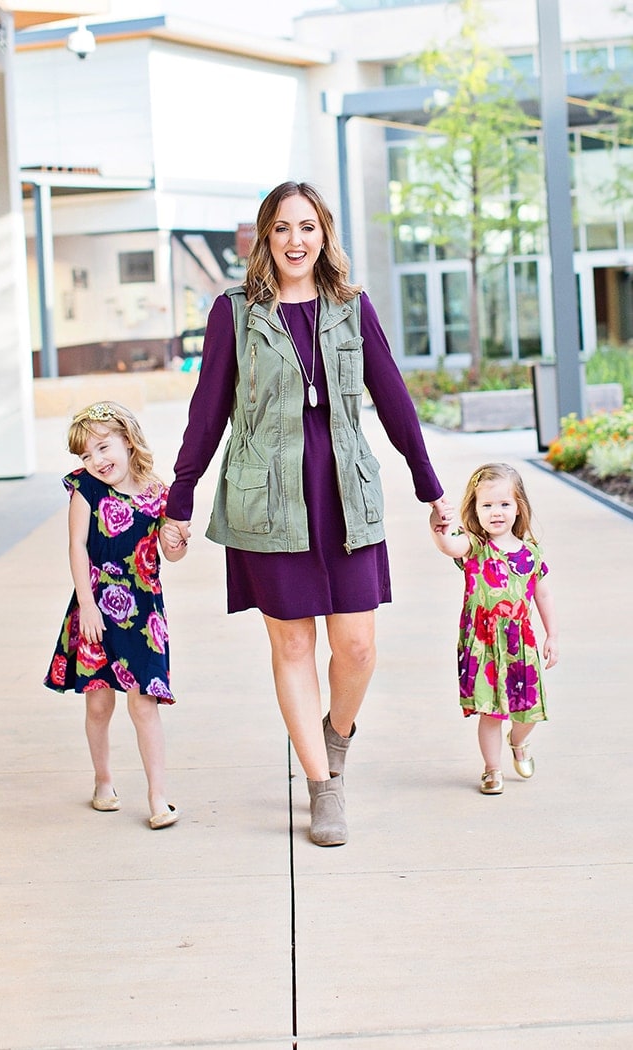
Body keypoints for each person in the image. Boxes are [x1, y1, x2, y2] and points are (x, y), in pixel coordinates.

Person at [164, 180, 450, 846]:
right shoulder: (234, 312)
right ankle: (324, 788)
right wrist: (180, 498)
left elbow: (394, 399)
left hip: (344, 492)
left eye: (309, 227)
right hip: (267, 499)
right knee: (292, 643)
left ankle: (336, 736)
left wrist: (429, 487)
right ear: (266, 237)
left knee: (357, 646)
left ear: (325, 235)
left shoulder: (352, 307)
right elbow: (207, 412)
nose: (296, 240)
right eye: (283, 228)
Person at [44, 401, 187, 829]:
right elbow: (77, 546)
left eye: (103, 448)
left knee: (144, 705)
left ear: (127, 438)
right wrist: (86, 605)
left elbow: (171, 555)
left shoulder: (157, 493)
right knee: (99, 704)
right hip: (96, 609)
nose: (97, 461)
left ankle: (158, 797)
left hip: (144, 613)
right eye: (87, 455)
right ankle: (103, 780)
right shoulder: (85, 488)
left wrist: (177, 539)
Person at [429, 461, 558, 795]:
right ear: (475, 509)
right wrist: (439, 529)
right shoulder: (475, 546)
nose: (496, 512)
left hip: (520, 644)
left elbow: (542, 593)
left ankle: (518, 743)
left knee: (526, 714)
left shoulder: (530, 553)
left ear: (518, 508)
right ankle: (492, 769)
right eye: (486, 505)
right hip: (484, 644)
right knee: (491, 711)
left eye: (504, 504)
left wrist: (553, 635)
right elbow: (450, 547)